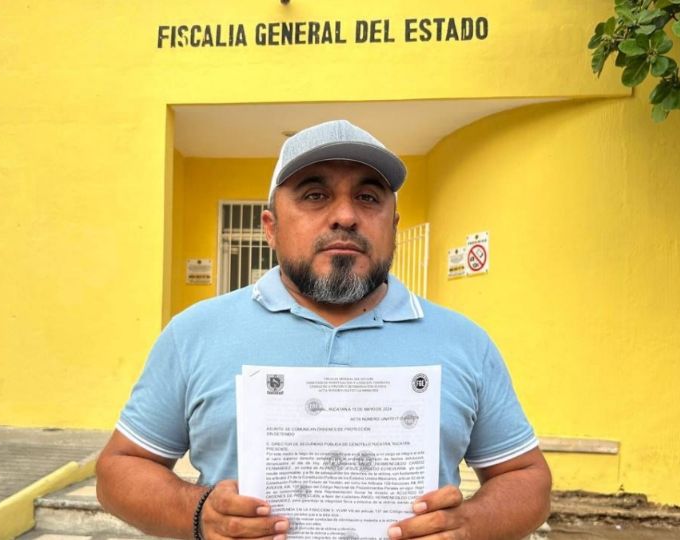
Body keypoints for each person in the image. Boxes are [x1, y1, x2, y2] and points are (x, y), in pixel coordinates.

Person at [96, 119, 552, 540]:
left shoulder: (463, 341)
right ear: (270, 228)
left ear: (393, 226)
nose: (345, 217)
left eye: (369, 197)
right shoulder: (195, 333)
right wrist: (198, 513)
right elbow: (119, 470)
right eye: (314, 195)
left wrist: (470, 525)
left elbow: (526, 478)